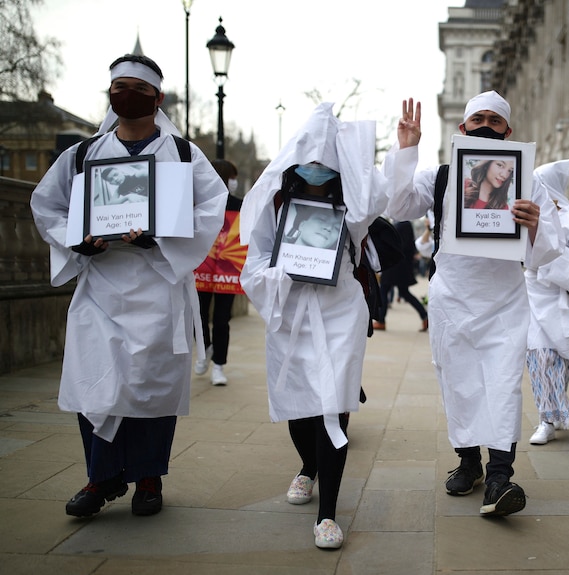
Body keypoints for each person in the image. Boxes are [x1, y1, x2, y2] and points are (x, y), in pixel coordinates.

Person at [29, 54, 226, 518]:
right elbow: (45, 206)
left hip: (157, 286)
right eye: (119, 86)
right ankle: (101, 479)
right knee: (94, 383)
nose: (126, 94)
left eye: (137, 87)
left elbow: (212, 204)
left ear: (156, 98)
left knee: (150, 386)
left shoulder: (181, 153)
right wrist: (78, 243)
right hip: (100, 289)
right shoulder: (83, 155)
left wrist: (163, 239)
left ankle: (148, 479)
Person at [239, 101, 418, 549]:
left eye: (327, 162)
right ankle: (307, 467)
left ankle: (328, 514)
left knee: (333, 408)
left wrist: (401, 151)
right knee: (299, 411)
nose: (318, 170)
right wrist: (284, 274)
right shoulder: (274, 202)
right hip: (290, 315)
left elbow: (383, 196)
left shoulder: (352, 203)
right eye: (310, 161)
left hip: (341, 314)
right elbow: (253, 266)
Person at [386, 90, 563, 516]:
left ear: (508, 131)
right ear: (462, 129)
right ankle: (468, 462)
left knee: (502, 386)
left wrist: (536, 226)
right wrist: (405, 151)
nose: (486, 126)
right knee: (459, 383)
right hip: (452, 299)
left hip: (503, 300)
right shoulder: (442, 176)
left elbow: (549, 251)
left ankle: (501, 476)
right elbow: (397, 204)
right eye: (477, 119)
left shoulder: (529, 180)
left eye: (494, 120)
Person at [525, 160, 569, 445]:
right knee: (539, 359)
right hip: (532, 299)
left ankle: (553, 412)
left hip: (559, 302)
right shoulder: (533, 217)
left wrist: (545, 260)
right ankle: (547, 417)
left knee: (558, 362)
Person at [194, 159, 247, 385]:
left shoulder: (241, 205)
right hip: (201, 266)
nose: (234, 182)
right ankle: (206, 348)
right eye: (233, 177)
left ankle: (218, 365)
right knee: (198, 315)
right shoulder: (200, 203)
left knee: (222, 318)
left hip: (228, 267)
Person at [373, 220, 428, 332]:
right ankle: (424, 316)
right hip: (399, 267)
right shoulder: (405, 224)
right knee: (403, 292)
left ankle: (381, 320)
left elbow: (397, 245)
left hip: (395, 266)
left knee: (384, 290)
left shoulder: (403, 224)